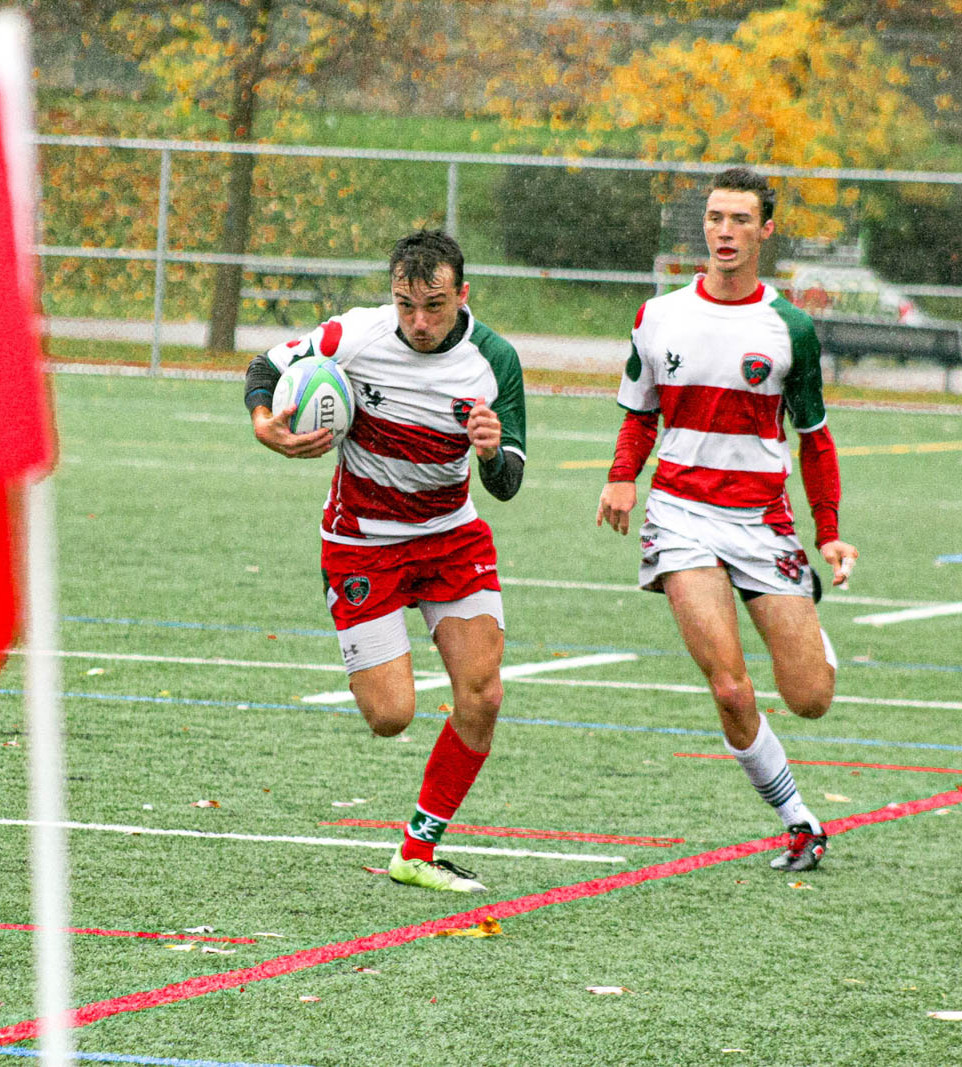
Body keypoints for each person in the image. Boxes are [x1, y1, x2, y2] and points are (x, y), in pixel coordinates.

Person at [246, 230, 526, 893]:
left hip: (450, 537)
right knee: (390, 715)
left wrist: (491, 452)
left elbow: (508, 482)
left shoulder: (494, 361)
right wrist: (265, 424)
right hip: (361, 542)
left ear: (463, 294)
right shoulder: (353, 337)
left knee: (483, 694)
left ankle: (417, 851)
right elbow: (264, 367)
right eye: (406, 305)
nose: (419, 322)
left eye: (434, 305)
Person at [595, 168, 858, 872]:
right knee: (731, 688)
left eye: (741, 219)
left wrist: (828, 530)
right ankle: (798, 820)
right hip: (680, 517)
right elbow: (639, 414)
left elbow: (815, 438)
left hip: (763, 523)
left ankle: (805, 601)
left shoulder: (790, 327)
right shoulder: (659, 317)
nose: (725, 232)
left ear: (765, 230)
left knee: (810, 698)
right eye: (715, 218)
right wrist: (622, 476)